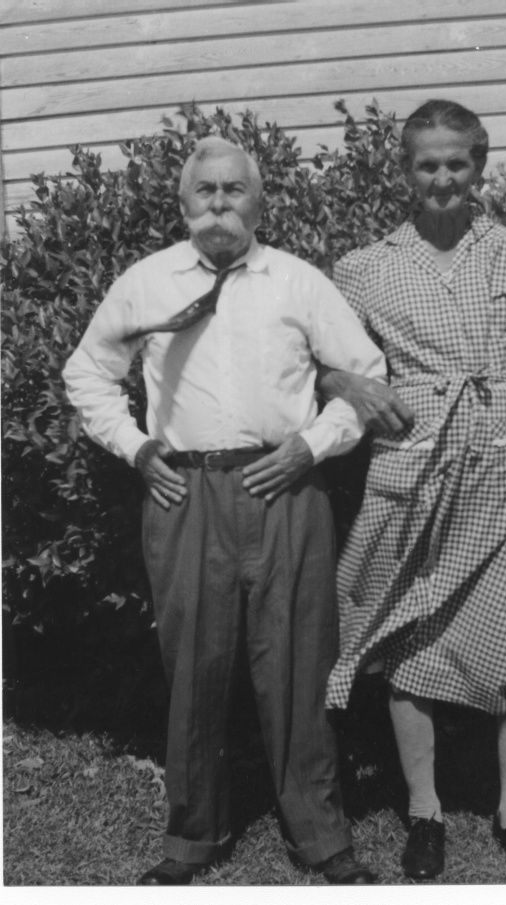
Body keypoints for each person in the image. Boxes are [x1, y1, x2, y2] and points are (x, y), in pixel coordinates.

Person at [63, 136, 386, 885]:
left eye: (233, 190)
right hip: (186, 492)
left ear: (258, 200)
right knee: (195, 667)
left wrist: (313, 445)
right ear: (183, 204)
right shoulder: (147, 282)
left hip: (287, 488)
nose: (219, 204)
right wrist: (136, 448)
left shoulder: (297, 281)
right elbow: (88, 373)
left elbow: (366, 375)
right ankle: (191, 838)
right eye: (204, 191)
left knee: (300, 662)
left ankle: (321, 835)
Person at [321, 100, 506, 881]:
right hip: (416, 466)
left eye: (456, 162)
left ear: (479, 165)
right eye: (427, 164)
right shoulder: (363, 267)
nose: (442, 177)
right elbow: (318, 361)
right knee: (411, 634)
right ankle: (425, 811)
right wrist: (351, 387)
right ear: (404, 171)